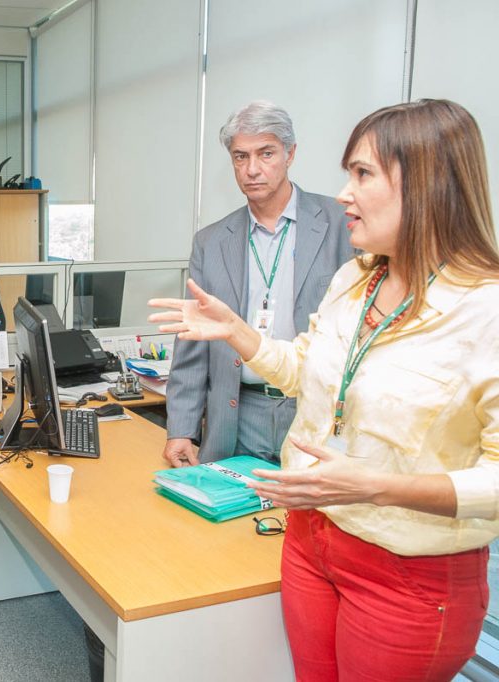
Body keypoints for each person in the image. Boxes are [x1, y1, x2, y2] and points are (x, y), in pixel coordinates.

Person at [149, 98, 499, 681]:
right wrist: (238, 333)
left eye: (362, 174)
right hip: (312, 539)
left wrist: (379, 487)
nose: (344, 194)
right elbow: (306, 369)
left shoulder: (485, 308)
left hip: (405, 570)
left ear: (427, 184)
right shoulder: (357, 280)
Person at [163, 101, 353, 468]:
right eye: (241, 157)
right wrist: (181, 429)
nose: (252, 169)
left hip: (312, 412)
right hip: (238, 413)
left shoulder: (342, 225)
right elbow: (192, 348)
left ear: (289, 154)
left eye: (266, 154)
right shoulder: (211, 242)